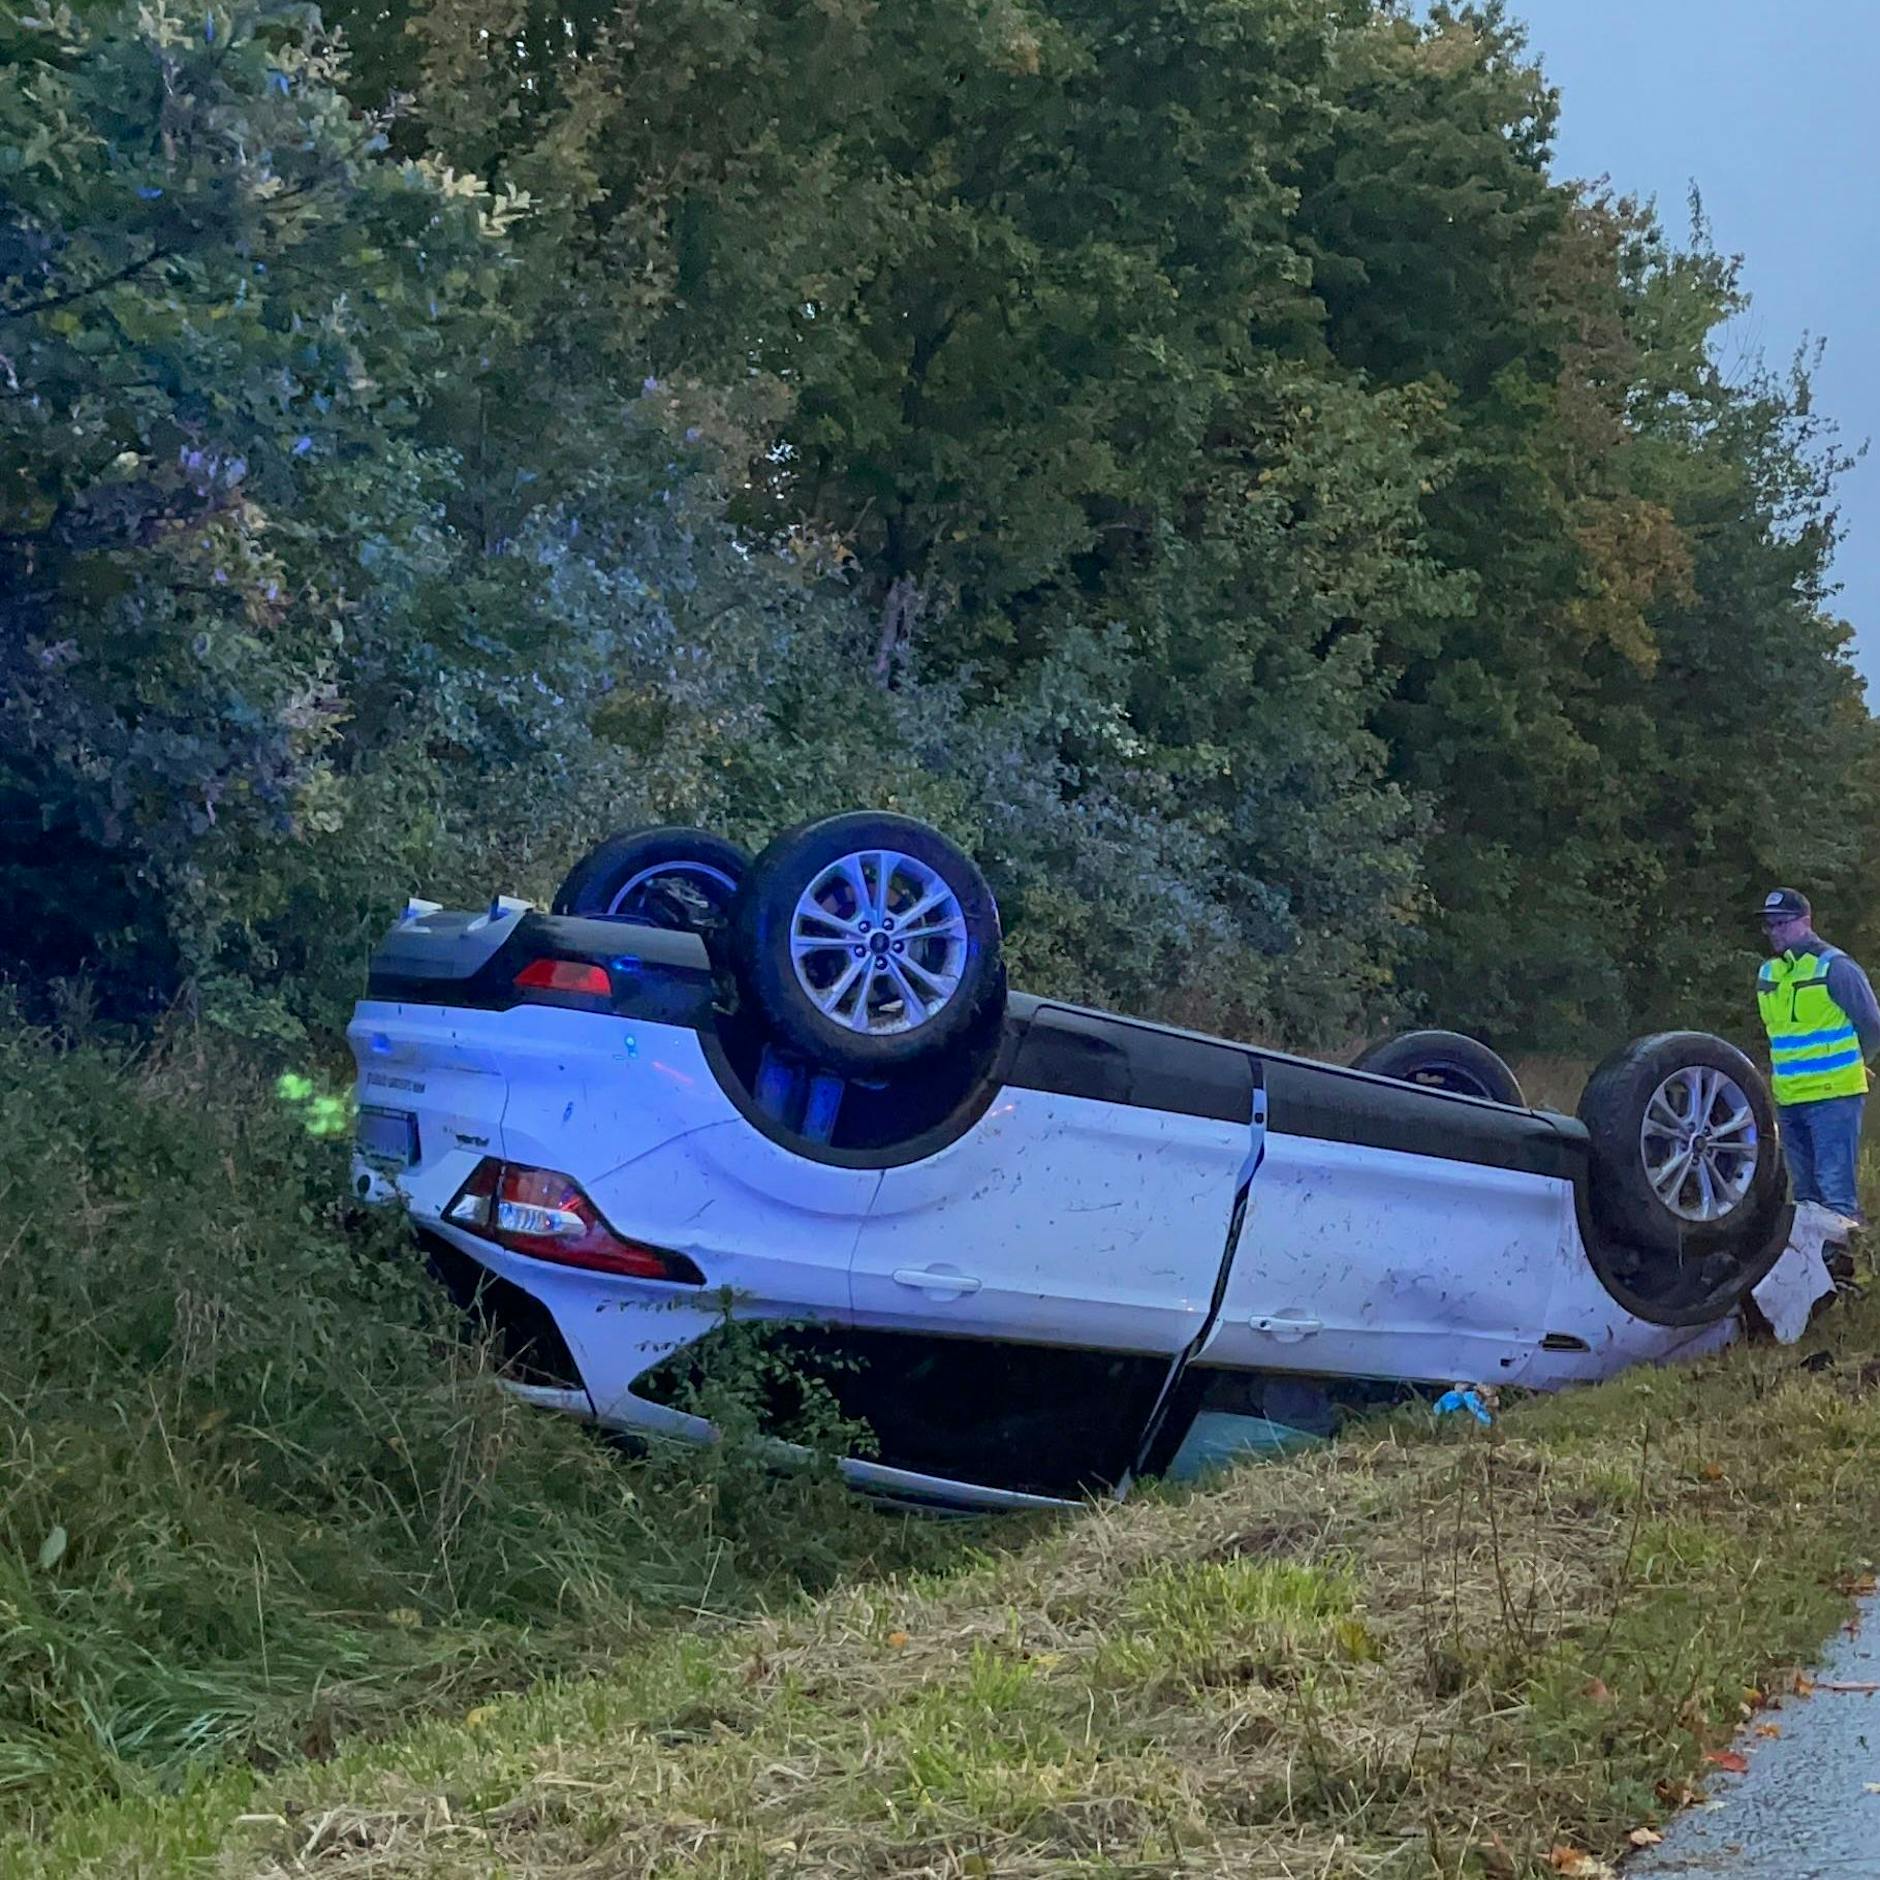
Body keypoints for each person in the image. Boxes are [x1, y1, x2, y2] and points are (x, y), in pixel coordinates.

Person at [1756, 888, 1880, 1228]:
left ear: (1805, 922)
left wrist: (1859, 1062)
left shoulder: (1835, 967)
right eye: (1769, 925)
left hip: (1833, 1097)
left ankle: (1847, 1267)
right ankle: (1815, 1273)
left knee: (1835, 1192)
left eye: (1782, 923)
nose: (1775, 932)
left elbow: (1872, 1024)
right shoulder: (1769, 974)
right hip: (1789, 1097)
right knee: (1805, 1196)